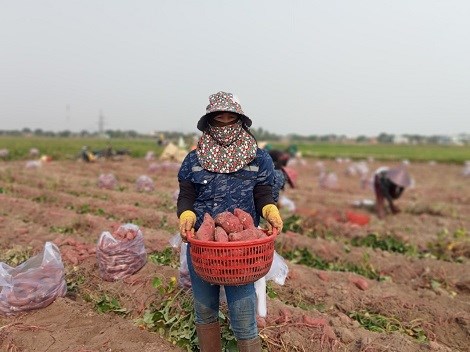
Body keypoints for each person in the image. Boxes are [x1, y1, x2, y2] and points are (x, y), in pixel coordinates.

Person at [177, 91, 283, 352]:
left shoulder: (258, 158)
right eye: (218, 118)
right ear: (210, 121)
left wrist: (269, 209)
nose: (225, 123)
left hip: (240, 252)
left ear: (240, 119)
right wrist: (187, 214)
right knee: (204, 311)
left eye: (230, 117)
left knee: (244, 316)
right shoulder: (195, 159)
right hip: (203, 246)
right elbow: (187, 193)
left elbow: (262, 193)